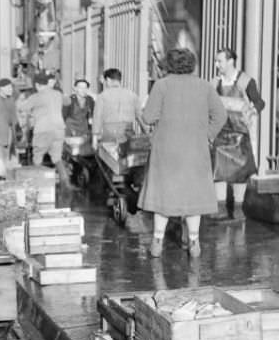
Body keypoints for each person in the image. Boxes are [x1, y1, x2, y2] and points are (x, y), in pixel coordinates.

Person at [138, 48, 227, 258]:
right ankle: (194, 241)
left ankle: (158, 240)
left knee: (164, 195)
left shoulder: (161, 85)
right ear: (192, 64)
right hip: (196, 149)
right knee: (193, 195)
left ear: (169, 65)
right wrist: (208, 135)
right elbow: (220, 115)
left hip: (166, 150)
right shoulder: (204, 86)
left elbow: (149, 117)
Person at [211, 47, 265, 220]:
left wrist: (252, 112)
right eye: (216, 61)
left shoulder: (246, 81)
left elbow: (259, 102)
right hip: (220, 133)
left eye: (219, 61)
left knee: (240, 172)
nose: (216, 64)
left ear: (230, 61)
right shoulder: (214, 83)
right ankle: (220, 209)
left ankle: (238, 209)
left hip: (240, 132)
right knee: (219, 171)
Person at [20, 70, 69, 187]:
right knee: (57, 158)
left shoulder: (36, 97)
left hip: (43, 130)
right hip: (59, 130)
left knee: (38, 158)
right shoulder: (57, 94)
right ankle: (66, 185)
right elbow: (67, 102)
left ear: (37, 85)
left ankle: (39, 187)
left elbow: (22, 108)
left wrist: (21, 99)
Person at [91, 68, 142, 148]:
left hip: (109, 134)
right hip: (127, 132)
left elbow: (97, 117)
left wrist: (94, 139)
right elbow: (140, 116)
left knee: (108, 158)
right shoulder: (132, 95)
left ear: (108, 80)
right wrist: (145, 131)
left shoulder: (102, 96)